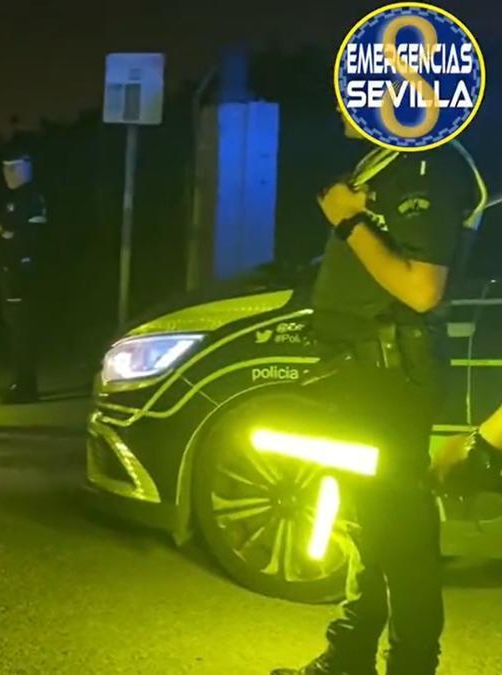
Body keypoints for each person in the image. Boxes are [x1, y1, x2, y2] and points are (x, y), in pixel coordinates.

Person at [270, 113, 485, 675]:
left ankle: (410, 665)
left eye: (355, 87)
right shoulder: (388, 162)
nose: (340, 103)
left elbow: (420, 289)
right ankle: (350, 655)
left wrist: (347, 223)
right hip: (363, 374)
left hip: (389, 379)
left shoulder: (430, 166)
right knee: (371, 527)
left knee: (402, 536)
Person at [0, 146, 47, 404]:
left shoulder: (30, 198)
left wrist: (8, 233)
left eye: (13, 167)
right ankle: (19, 382)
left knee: (23, 331)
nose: (7, 173)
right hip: (11, 272)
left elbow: (28, 237)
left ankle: (26, 389)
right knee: (16, 330)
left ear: (26, 168)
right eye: (4, 168)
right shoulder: (14, 199)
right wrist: (5, 231)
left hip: (22, 274)